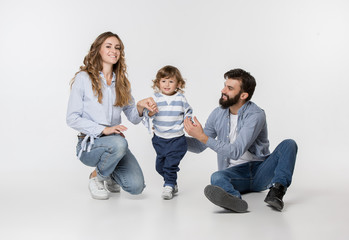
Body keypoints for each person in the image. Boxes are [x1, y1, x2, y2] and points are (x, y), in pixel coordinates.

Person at [184, 68, 297, 212]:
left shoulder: (256, 115)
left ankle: (277, 192)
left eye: (229, 88)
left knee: (289, 144)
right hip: (235, 174)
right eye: (225, 85)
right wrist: (170, 139)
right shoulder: (217, 113)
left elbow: (236, 151)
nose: (223, 90)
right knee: (216, 177)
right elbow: (199, 146)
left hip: (260, 171)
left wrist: (202, 136)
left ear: (243, 95)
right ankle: (235, 200)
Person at [66, 32, 157, 200]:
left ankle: (108, 173)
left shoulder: (121, 82)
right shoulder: (83, 78)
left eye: (117, 48)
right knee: (119, 142)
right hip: (89, 145)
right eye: (108, 46)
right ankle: (96, 176)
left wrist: (140, 107)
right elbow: (72, 118)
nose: (114, 51)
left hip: (115, 145)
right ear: (98, 50)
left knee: (136, 187)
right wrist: (104, 130)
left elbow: (133, 118)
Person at [143, 65, 193, 200]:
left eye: (171, 81)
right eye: (164, 81)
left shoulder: (180, 98)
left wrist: (188, 120)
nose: (167, 84)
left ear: (178, 84)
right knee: (160, 166)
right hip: (159, 139)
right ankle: (172, 182)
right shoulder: (155, 98)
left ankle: (169, 186)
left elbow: (189, 111)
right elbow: (147, 115)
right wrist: (151, 113)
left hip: (177, 139)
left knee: (170, 165)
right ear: (158, 83)